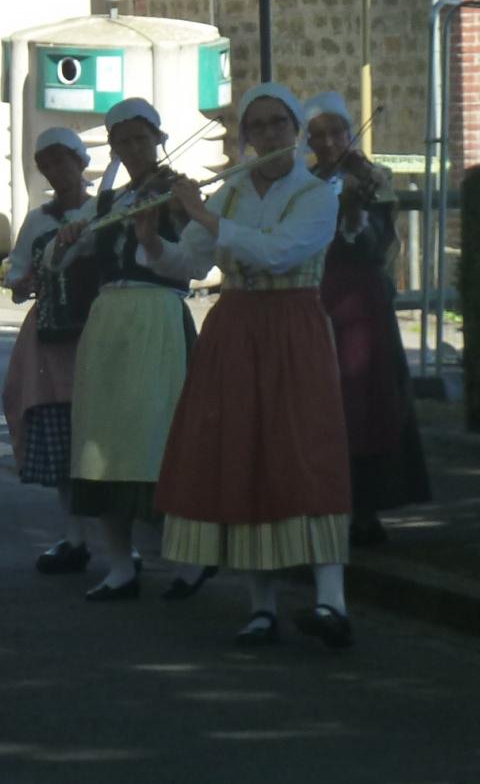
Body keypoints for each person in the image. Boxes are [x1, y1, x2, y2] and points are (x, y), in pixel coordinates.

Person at [140, 83, 354, 649]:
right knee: (245, 451)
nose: (267, 135)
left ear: (296, 130)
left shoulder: (317, 193)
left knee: (305, 453)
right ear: (245, 136)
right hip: (236, 327)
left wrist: (201, 215)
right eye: (256, 127)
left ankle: (333, 602)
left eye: (277, 124)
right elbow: (188, 263)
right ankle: (260, 607)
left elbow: (280, 251)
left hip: (294, 327)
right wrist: (149, 233)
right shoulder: (231, 194)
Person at [50, 99, 209, 602]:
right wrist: (69, 237)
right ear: (113, 147)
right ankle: (120, 565)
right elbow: (54, 260)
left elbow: (196, 265)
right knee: (104, 442)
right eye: (123, 141)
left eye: (142, 138)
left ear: (159, 139)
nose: (134, 148)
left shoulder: (181, 195)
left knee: (159, 438)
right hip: (108, 322)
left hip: (158, 318)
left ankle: (191, 561)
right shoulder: (107, 202)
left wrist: (179, 210)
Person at [305, 92, 432, 546]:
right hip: (318, 297)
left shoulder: (372, 177)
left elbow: (378, 246)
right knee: (324, 402)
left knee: (365, 401)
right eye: (318, 135)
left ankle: (367, 509)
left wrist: (356, 211)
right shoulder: (305, 182)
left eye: (336, 131)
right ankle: (324, 502)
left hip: (361, 301)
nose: (329, 141)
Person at [0, 128, 96, 575]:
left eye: (62, 160)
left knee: (99, 436)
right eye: (47, 164)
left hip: (97, 331)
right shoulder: (38, 221)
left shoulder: (106, 209)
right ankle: (73, 536)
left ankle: (114, 540)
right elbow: (18, 276)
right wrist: (24, 282)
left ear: (81, 161)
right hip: (51, 337)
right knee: (62, 435)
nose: (56, 171)